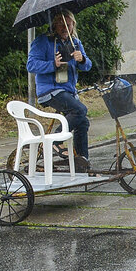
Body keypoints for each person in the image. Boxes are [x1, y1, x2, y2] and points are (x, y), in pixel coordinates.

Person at [26, 10, 93, 172]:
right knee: (80, 110)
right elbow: (31, 65)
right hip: (49, 91)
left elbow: (88, 66)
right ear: (54, 25)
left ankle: (81, 162)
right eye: (61, 24)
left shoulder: (75, 42)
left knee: (83, 121)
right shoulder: (43, 41)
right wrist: (52, 64)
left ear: (73, 26)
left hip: (68, 91)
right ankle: (55, 142)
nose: (65, 27)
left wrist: (82, 59)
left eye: (68, 24)